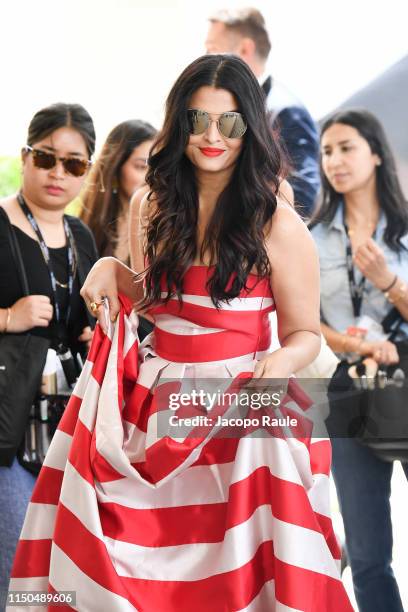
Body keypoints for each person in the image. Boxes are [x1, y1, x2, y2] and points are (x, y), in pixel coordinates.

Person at [10, 56, 352, 611]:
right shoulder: (152, 204)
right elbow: (155, 298)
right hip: (152, 402)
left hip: (244, 410)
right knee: (129, 557)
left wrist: (278, 366)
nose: (212, 136)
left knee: (241, 570)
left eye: (230, 122)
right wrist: (109, 271)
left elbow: (306, 334)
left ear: (252, 129)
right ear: (178, 124)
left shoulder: (277, 221)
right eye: (198, 121)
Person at [310, 109, 408, 612]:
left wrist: (388, 281)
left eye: (346, 147)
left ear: (374, 153)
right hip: (348, 389)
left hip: (405, 379)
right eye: (327, 151)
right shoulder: (314, 235)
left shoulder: (405, 226)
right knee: (368, 553)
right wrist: (359, 346)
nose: (335, 161)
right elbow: (305, 318)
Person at [0, 102, 98, 594]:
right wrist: (8, 318)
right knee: (15, 567)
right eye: (47, 158)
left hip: (65, 427)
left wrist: (92, 329)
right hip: (7, 429)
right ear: (26, 157)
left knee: (61, 571)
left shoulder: (81, 236)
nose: (59, 173)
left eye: (74, 163)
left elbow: (81, 320)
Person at [205, 7, 320, 218]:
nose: (206, 58)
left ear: (245, 49)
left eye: (212, 49)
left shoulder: (286, 111)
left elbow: (303, 193)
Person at [80, 119, 157, 264]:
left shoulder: (166, 229)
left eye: (157, 168)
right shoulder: (83, 230)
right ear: (115, 169)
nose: (151, 177)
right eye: (141, 166)